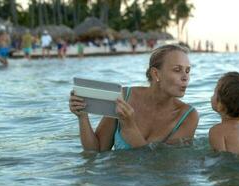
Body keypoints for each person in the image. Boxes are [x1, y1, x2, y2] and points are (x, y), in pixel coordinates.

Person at [69, 44, 199, 151]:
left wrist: (130, 128)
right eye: (177, 70)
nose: (185, 77)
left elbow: (163, 168)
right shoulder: (124, 97)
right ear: (155, 74)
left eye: (187, 71)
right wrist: (82, 117)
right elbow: (96, 152)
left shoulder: (188, 116)